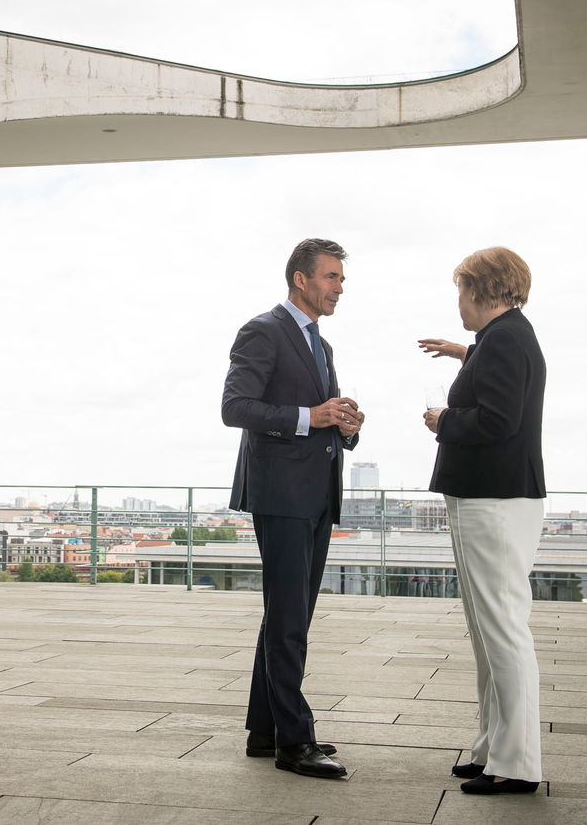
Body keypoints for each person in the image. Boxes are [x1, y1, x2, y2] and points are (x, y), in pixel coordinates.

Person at [222, 237, 364, 779]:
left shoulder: (320, 345)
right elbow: (235, 408)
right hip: (281, 496)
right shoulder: (263, 330)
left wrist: (343, 424)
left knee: (290, 615)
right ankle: (293, 742)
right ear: (300, 279)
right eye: (331, 277)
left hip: (317, 493)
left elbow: (322, 415)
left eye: (341, 278)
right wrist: (311, 415)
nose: (339, 287)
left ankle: (266, 730)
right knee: (288, 621)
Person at [419, 245, 547, 795]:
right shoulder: (505, 338)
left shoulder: (504, 342)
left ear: (484, 290)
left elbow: (497, 420)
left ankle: (515, 763)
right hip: (493, 498)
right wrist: (465, 353)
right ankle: (493, 748)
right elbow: (501, 386)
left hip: (492, 501)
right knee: (490, 631)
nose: (458, 304)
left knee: (501, 632)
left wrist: (445, 418)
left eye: (461, 292)